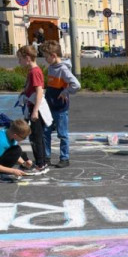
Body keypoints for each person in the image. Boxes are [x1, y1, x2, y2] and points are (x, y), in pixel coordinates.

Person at [40, 40, 79, 169]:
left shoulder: (63, 69)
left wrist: (65, 91)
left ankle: (64, 158)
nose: (45, 59)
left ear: (53, 56)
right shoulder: (51, 68)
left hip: (60, 107)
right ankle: (46, 157)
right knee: (45, 132)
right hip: (49, 105)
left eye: (46, 56)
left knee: (62, 133)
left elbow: (76, 85)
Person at [16, 45, 49, 173]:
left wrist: (35, 110)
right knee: (34, 136)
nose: (19, 62)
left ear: (27, 58)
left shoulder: (35, 72)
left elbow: (39, 91)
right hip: (31, 106)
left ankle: (41, 163)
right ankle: (41, 161)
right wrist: (24, 92)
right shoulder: (32, 71)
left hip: (35, 109)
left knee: (36, 137)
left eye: (20, 59)